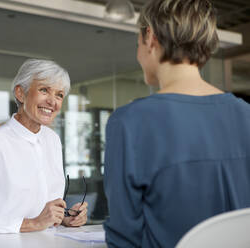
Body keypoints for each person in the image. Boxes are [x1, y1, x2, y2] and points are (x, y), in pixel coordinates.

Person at [103, 0, 250, 247]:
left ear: (149, 37)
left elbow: (123, 238)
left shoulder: (130, 123)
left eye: (137, 41)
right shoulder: (246, 115)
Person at [0, 59, 88, 234]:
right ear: (21, 93)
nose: (52, 102)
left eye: (59, 95)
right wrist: (33, 223)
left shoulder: (53, 140)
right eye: (44, 90)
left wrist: (64, 218)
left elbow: (45, 211)